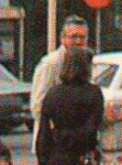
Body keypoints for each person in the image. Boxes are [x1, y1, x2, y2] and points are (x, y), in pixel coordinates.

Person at [36, 46, 104, 165]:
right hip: (82, 158)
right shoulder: (93, 93)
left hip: (56, 158)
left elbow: (43, 133)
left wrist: (43, 163)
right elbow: (91, 130)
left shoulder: (52, 94)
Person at [30, 16, 89, 145]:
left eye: (82, 37)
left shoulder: (87, 63)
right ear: (63, 38)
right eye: (74, 37)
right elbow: (37, 105)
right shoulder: (50, 64)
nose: (78, 42)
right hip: (52, 143)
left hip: (78, 142)